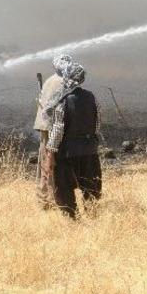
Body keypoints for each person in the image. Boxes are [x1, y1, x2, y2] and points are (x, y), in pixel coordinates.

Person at [45, 61, 102, 219]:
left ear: (66, 78)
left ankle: (72, 221)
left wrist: (50, 152)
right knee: (91, 188)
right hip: (90, 150)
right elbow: (97, 124)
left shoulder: (63, 101)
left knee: (64, 189)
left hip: (67, 153)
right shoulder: (91, 97)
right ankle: (93, 218)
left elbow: (57, 129)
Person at [34, 54, 74, 208]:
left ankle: (45, 198)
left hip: (45, 126)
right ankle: (51, 200)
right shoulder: (64, 82)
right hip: (54, 127)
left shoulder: (50, 80)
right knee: (53, 164)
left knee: (45, 161)